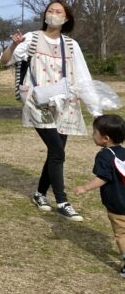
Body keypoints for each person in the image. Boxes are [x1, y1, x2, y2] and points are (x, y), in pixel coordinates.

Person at [0, 0, 98, 221]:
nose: (53, 14)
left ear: (66, 18)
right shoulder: (32, 39)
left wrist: (96, 109)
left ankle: (39, 194)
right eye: (50, 11)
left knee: (56, 152)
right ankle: (62, 201)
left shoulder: (71, 45)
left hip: (66, 102)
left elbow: (83, 77)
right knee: (58, 150)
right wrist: (14, 45)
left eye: (58, 12)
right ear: (45, 15)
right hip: (38, 101)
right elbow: (5, 61)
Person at [75, 114, 125, 278]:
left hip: (118, 205)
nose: (92, 135)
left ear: (105, 138)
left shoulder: (104, 156)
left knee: (122, 234)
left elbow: (103, 177)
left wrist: (85, 187)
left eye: (94, 132)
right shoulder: (123, 153)